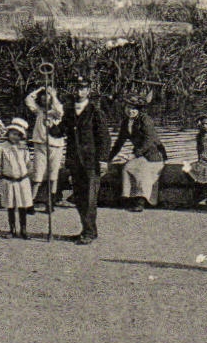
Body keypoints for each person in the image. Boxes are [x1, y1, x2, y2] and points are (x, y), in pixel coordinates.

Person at [59, 75, 114, 244]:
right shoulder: (68, 111)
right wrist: (50, 125)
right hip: (75, 161)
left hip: (91, 162)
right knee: (79, 196)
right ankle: (87, 229)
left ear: (88, 91)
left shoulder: (95, 112)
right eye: (76, 88)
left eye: (82, 88)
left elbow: (104, 138)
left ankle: (89, 232)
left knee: (90, 198)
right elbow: (60, 131)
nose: (79, 91)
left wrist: (103, 160)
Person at [110, 90, 166, 212]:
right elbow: (119, 142)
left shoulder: (145, 120)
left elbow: (149, 140)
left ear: (139, 109)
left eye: (134, 108)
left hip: (153, 155)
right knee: (127, 167)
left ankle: (140, 201)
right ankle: (127, 198)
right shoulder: (126, 122)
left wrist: (135, 154)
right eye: (129, 108)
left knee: (139, 168)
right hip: (141, 154)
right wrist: (108, 158)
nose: (131, 111)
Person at [24, 82, 67, 212]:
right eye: (43, 96)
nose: (44, 98)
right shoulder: (39, 111)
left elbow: (59, 110)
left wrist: (53, 95)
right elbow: (28, 100)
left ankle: (51, 202)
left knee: (53, 175)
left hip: (55, 146)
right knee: (38, 175)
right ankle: (30, 202)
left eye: (47, 96)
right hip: (40, 146)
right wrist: (40, 89)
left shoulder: (56, 112)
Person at [0, 121, 35, 239]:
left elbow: (27, 163)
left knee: (22, 206)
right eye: (13, 134)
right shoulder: (2, 148)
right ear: (8, 134)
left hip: (22, 180)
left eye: (18, 134)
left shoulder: (23, 148)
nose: (15, 136)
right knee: (10, 205)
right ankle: (12, 229)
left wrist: (28, 171)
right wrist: (0, 175)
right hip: (8, 180)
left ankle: (23, 229)